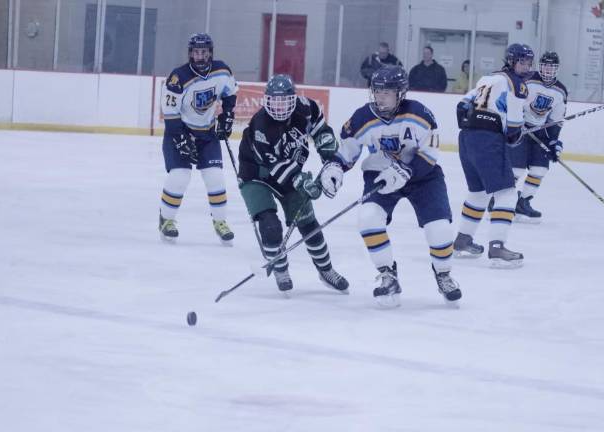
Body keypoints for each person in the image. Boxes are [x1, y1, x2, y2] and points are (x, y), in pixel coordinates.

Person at [319, 65, 462, 308]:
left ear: (401, 93)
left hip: (423, 177)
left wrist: (407, 170)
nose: (380, 97)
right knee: (368, 219)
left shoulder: (420, 114)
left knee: (439, 229)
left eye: (387, 92)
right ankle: (388, 275)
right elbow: (347, 151)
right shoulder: (361, 117)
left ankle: (443, 274)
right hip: (380, 173)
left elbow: (429, 153)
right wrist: (334, 168)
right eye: (377, 91)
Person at [237, 74, 349, 295]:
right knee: (270, 226)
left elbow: (321, 131)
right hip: (256, 174)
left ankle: (325, 270)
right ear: (266, 100)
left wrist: (330, 160)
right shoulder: (261, 125)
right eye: (274, 101)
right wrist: (302, 180)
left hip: (289, 169)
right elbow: (276, 166)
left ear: (293, 99)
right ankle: (280, 269)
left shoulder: (307, 108)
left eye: (283, 101)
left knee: (309, 224)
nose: (278, 108)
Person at [453, 43, 534, 268]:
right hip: (488, 141)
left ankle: (462, 240)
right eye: (522, 61)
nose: (526, 66)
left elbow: (461, 105)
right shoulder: (517, 85)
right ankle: (497, 248)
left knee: (478, 193)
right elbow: (515, 126)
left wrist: (475, 125)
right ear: (511, 61)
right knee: (507, 194)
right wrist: (513, 135)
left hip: (467, 138)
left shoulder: (488, 78)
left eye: (528, 62)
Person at [158, 33, 237, 244]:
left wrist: (228, 116)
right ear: (190, 53)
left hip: (207, 133)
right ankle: (166, 220)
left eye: (203, 52)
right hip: (180, 132)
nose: (200, 56)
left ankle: (220, 222)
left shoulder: (222, 71)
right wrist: (182, 140)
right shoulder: (178, 77)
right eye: (196, 52)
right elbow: (170, 113)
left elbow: (230, 93)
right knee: (180, 175)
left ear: (210, 53)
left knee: (215, 177)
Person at [509, 51, 567, 223]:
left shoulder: (560, 91)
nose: (548, 70)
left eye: (552, 66)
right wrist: (515, 122)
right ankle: (499, 199)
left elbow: (556, 120)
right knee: (516, 170)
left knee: (539, 170)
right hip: (520, 127)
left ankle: (523, 202)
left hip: (540, 130)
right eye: (545, 65)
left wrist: (553, 141)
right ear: (540, 66)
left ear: (557, 69)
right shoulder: (527, 79)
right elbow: (513, 101)